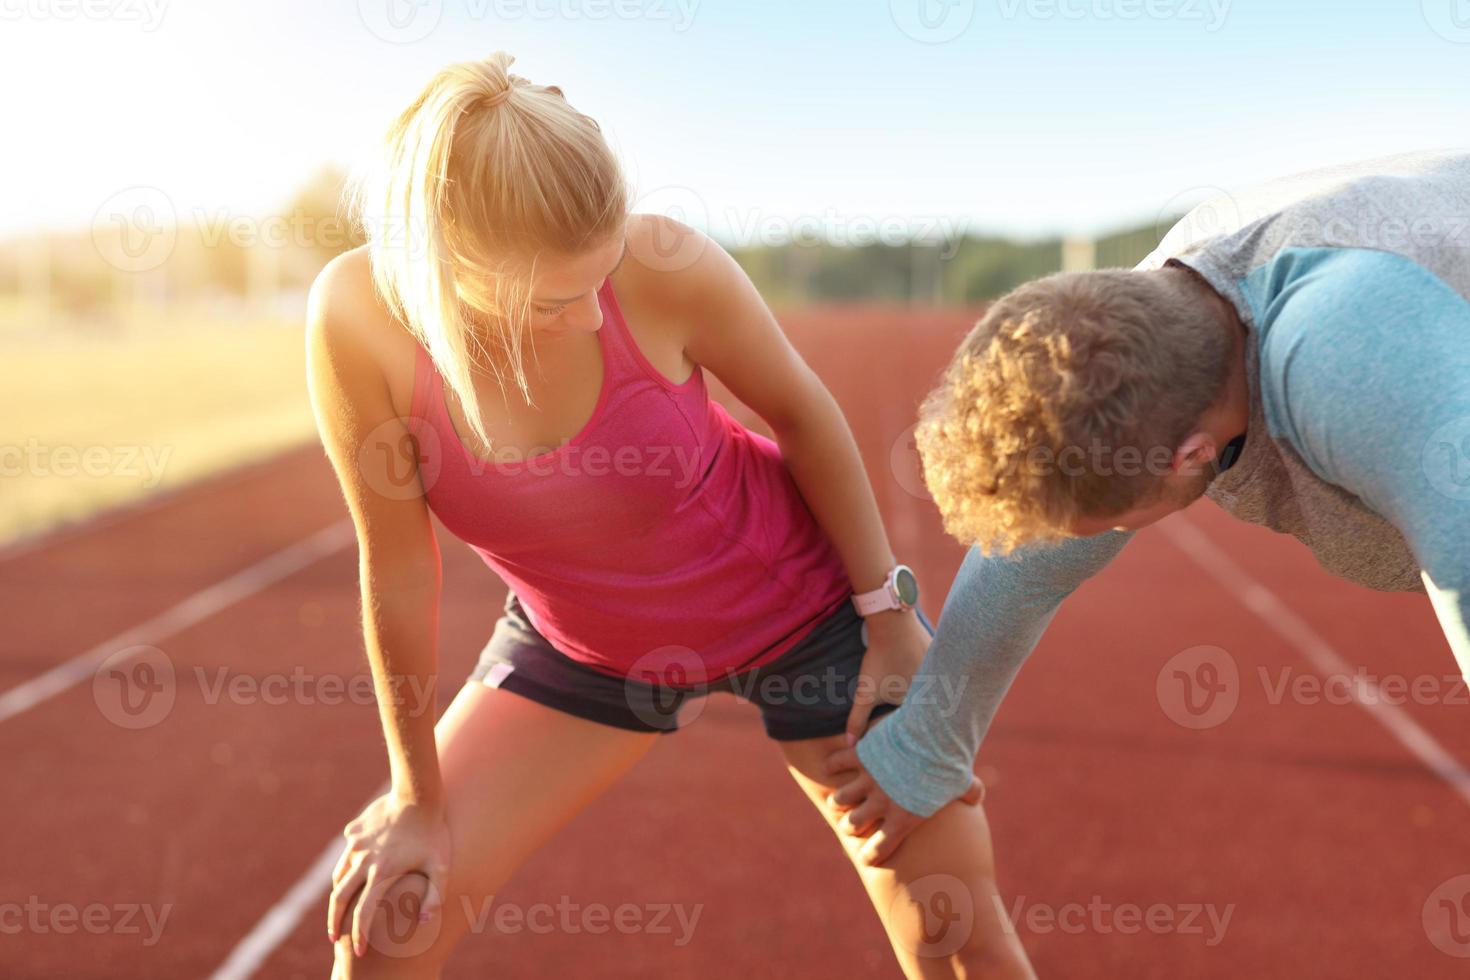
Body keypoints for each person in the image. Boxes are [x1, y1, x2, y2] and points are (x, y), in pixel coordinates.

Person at [307, 52, 1035, 978]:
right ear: (446, 264)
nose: (585, 318)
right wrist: (415, 797)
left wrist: (887, 621)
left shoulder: (667, 264)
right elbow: (399, 568)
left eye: (597, 279)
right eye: (551, 301)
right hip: (583, 649)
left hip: (809, 614)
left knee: (952, 929)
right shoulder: (355, 319)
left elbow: (803, 414)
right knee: (386, 925)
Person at [829, 150, 1470, 865]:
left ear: (1192, 456)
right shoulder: (1145, 332)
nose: (1066, 542)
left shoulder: (1355, 362)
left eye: (1101, 525)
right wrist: (926, 746)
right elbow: (1028, 569)